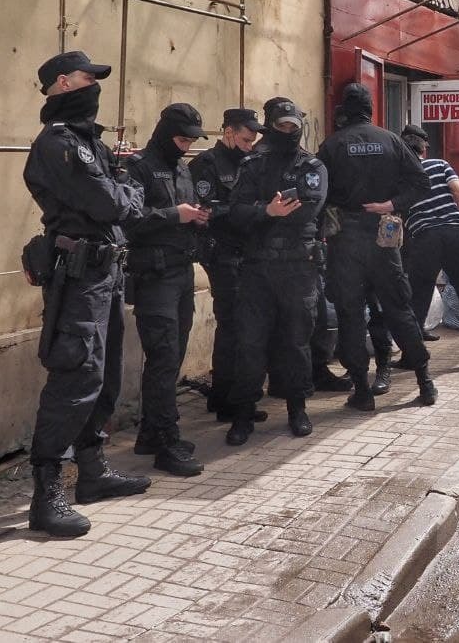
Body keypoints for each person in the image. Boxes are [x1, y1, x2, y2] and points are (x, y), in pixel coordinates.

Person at [23, 50, 149, 538]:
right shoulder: (59, 145)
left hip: (105, 275)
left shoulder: (84, 142)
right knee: (76, 377)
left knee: (106, 376)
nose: (96, 86)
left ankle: (93, 473)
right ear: (62, 84)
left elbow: (116, 199)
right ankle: (46, 493)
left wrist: (122, 187)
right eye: (87, 78)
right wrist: (126, 187)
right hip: (78, 281)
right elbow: (114, 204)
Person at [317, 84, 437, 409]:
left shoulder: (332, 145)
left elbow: (318, 195)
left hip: (345, 241)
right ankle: (425, 383)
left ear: (345, 110)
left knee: (351, 315)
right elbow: (421, 183)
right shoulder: (392, 141)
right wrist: (391, 204)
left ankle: (362, 391)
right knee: (399, 309)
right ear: (371, 109)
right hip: (384, 237)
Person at [224, 97, 327, 445]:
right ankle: (242, 415)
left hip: (299, 268)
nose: (287, 132)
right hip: (258, 269)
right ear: (271, 125)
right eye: (281, 126)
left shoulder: (311, 166)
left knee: (296, 341)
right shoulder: (252, 164)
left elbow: (306, 211)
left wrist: (266, 213)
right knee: (250, 343)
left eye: (292, 127)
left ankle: (297, 408)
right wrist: (267, 212)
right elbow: (235, 213)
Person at [122, 103, 210, 478]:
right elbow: (131, 219)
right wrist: (177, 215)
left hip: (180, 273)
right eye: (181, 138)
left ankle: (149, 434)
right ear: (164, 132)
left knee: (172, 359)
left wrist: (198, 217)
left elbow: (184, 212)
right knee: (163, 357)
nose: (187, 145)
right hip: (153, 277)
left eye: (192, 140)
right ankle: (166, 443)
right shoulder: (138, 167)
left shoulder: (183, 169)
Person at [188, 109, 275, 414]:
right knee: (233, 326)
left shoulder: (250, 164)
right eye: (246, 139)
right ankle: (226, 400)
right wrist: (251, 210)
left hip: (248, 252)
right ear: (228, 133)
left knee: (245, 326)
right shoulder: (206, 165)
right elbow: (206, 212)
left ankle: (229, 395)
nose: (251, 145)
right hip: (222, 253)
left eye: (254, 140)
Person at [400, 124, 459, 368]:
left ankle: (411, 356)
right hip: (455, 235)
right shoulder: (440, 165)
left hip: (423, 239)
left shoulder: (397, 176)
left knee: (418, 298)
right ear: (425, 148)